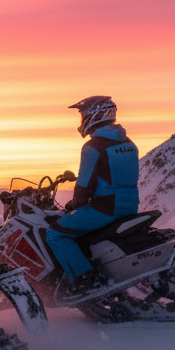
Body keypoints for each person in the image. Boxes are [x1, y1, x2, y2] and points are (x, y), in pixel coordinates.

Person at [47, 96, 140, 296]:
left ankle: (86, 281)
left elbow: (84, 184)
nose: (81, 120)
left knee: (55, 234)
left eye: (82, 115)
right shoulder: (128, 142)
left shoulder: (93, 146)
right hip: (130, 206)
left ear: (94, 114)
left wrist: (76, 202)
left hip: (105, 208)